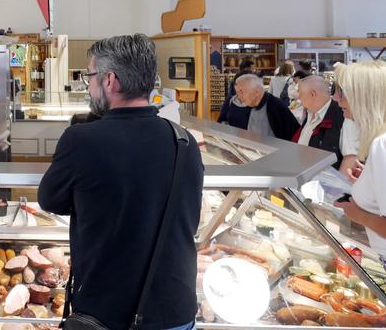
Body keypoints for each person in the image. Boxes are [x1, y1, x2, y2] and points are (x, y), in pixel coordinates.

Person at [38, 34, 203, 330]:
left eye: (90, 76)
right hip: (175, 310)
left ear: (110, 80)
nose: (88, 85)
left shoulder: (81, 140)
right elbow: (190, 214)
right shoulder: (184, 141)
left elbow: (50, 200)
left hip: (107, 311)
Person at [333, 62, 386, 264]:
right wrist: (370, 178)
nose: (337, 100)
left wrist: (356, 214)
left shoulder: (382, 144)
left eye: (343, 93)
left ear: (364, 97)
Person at [294, 75, 348, 169]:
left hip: (321, 180)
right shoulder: (310, 112)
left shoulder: (342, 115)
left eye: (300, 93)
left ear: (312, 94)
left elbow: (350, 159)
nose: (298, 97)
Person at [237, 74, 300, 141]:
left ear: (257, 92)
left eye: (242, 92)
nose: (239, 96)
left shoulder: (274, 106)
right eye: (238, 92)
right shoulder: (251, 105)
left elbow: (292, 136)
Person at [218, 58, 255, 124]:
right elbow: (221, 120)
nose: (253, 70)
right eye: (251, 68)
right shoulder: (230, 101)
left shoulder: (257, 103)